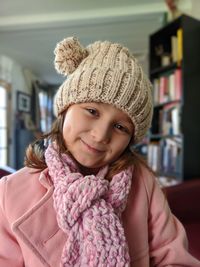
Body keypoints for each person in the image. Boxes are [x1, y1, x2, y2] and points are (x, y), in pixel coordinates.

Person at [0, 37, 199, 267]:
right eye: (92, 111)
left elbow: (173, 258)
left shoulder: (143, 184)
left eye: (120, 127)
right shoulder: (10, 193)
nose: (101, 135)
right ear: (65, 108)